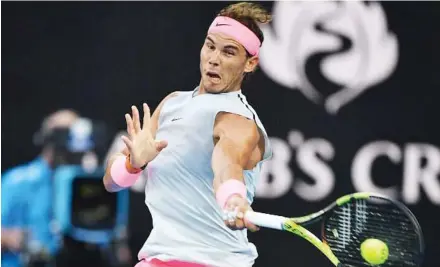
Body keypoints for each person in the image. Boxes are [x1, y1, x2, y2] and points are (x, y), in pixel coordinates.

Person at [103, 2, 273, 267]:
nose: (214, 58)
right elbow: (111, 183)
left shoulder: (238, 120)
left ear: (250, 63)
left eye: (229, 52)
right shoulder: (172, 104)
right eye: (210, 46)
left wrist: (233, 198)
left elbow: (228, 163)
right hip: (158, 260)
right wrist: (132, 164)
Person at [1, 109, 80, 267]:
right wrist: (11, 238)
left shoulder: (82, 183)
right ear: (48, 138)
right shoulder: (18, 180)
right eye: (62, 135)